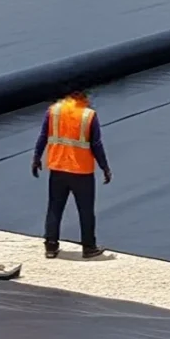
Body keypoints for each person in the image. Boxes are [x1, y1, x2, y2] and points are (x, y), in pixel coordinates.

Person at [32, 88, 111, 259]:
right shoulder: (88, 115)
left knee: (54, 208)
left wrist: (36, 158)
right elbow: (96, 144)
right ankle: (89, 247)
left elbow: (43, 136)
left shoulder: (54, 111)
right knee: (85, 210)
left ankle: (51, 247)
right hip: (81, 171)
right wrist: (105, 167)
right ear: (82, 98)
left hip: (57, 168)